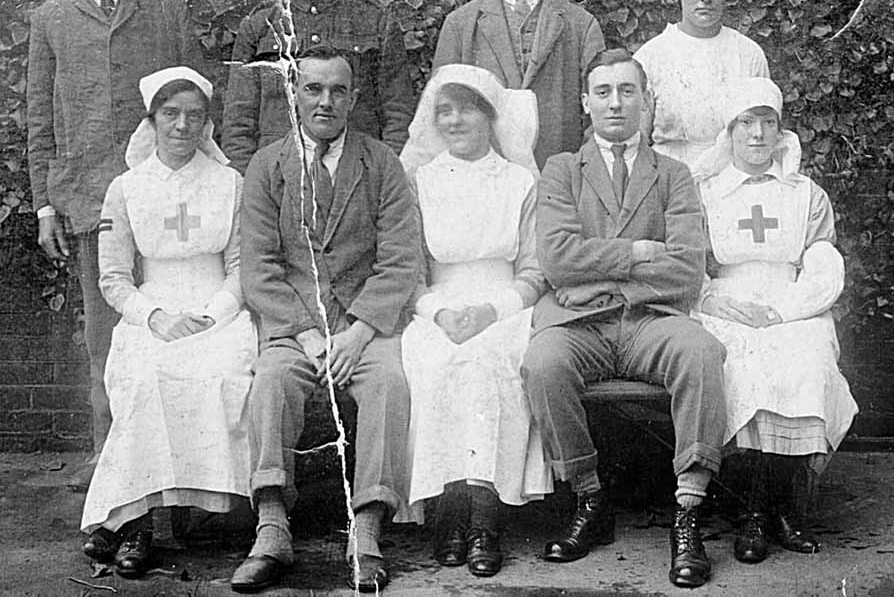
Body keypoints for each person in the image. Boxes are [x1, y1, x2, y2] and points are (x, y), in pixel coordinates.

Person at [521, 49, 727, 588]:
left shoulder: (674, 175)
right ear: (586, 103)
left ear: (646, 101)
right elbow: (558, 260)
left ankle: (688, 511)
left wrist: (600, 264)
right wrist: (638, 251)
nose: (616, 102)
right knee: (543, 363)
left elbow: (686, 269)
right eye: (605, 92)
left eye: (628, 91)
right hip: (583, 321)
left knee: (701, 352)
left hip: (650, 322)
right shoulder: (562, 170)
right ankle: (590, 497)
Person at [27, 0, 202, 489]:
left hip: (167, 193)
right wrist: (45, 201)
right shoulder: (50, 17)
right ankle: (114, 468)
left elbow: (199, 101)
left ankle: (182, 467)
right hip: (89, 197)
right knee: (106, 337)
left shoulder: (163, 7)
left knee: (178, 327)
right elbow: (39, 116)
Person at [231, 45, 420, 593]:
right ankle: (271, 528)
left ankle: (367, 529)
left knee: (388, 383)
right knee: (270, 382)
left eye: (338, 90)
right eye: (313, 89)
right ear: (294, 94)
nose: (325, 101)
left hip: (366, 327)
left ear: (354, 98)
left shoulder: (381, 162)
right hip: (297, 329)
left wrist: (360, 330)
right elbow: (261, 268)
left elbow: (400, 259)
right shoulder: (268, 165)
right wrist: (309, 333)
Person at [79, 67, 255, 578]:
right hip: (152, 311)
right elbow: (113, 279)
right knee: (144, 378)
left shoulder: (230, 182)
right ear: (151, 121)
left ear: (206, 124)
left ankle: (135, 525)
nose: (182, 125)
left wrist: (212, 314)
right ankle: (138, 526)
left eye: (194, 116)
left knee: (215, 374)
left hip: (218, 310)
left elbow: (242, 266)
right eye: (170, 114)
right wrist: (155, 317)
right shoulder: (126, 188)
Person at [692, 77, 858, 564]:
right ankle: (753, 510)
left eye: (768, 122)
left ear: (780, 130)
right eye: (747, 122)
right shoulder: (707, 193)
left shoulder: (806, 195)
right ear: (730, 131)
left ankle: (783, 508)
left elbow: (824, 266)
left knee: (808, 359)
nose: (758, 134)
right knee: (744, 366)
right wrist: (709, 301)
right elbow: (689, 262)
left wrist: (787, 311)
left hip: (791, 303)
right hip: (729, 301)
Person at [398, 65, 552, 577]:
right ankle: (447, 508)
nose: (454, 119)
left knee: (488, 362)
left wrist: (492, 311)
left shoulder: (518, 181)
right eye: (444, 109)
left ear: (490, 117)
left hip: (505, 306)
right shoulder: (420, 181)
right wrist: (438, 312)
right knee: (436, 361)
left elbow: (534, 269)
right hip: (438, 306)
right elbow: (409, 271)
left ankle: (485, 514)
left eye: (466, 108)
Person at [222, 0, 415, 172]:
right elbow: (238, 124)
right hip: (279, 176)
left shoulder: (375, 21)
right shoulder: (259, 26)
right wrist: (254, 181)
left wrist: (379, 176)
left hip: (357, 175)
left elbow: (397, 114)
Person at [431, 0, 606, 168]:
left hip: (559, 173)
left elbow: (598, 114)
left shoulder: (581, 25)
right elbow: (442, 111)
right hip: (484, 176)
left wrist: (581, 171)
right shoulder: (460, 24)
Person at [633, 0, 770, 168]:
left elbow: (763, 135)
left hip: (732, 179)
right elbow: (636, 143)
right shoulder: (650, 57)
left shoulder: (749, 55)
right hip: (669, 181)